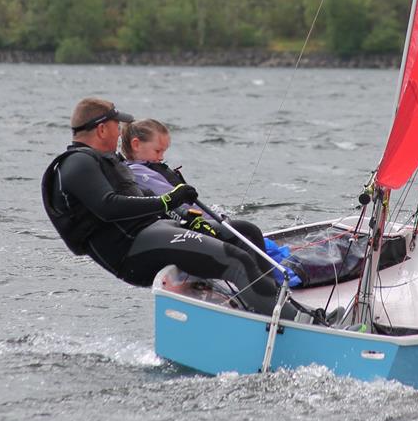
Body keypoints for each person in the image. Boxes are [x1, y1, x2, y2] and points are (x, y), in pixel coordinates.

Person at [41, 96, 303, 321]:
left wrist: (184, 216)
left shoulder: (103, 160)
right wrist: (168, 200)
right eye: (115, 125)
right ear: (100, 130)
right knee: (236, 260)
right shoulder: (76, 163)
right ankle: (298, 324)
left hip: (153, 230)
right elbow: (108, 207)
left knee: (241, 232)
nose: (120, 131)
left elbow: (138, 196)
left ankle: (275, 307)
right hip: (131, 250)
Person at [120, 117, 268, 254]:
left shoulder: (148, 168)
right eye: (158, 151)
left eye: (163, 151)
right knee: (248, 230)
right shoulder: (139, 173)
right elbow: (177, 204)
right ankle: (270, 278)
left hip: (181, 227)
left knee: (242, 229)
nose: (161, 157)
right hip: (178, 232)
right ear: (136, 144)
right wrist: (214, 221)